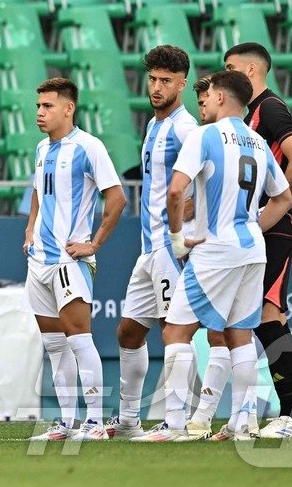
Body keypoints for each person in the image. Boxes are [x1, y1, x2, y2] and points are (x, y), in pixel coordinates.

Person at [160, 70, 292, 442]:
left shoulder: (204, 136)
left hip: (214, 250)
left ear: (220, 97)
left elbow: (175, 192)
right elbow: (284, 198)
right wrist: (252, 224)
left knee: (176, 332)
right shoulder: (257, 141)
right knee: (239, 334)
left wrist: (176, 241)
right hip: (252, 248)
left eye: (210, 95)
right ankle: (243, 422)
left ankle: (175, 426)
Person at [21, 77, 124, 443]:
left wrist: (93, 244)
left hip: (69, 260)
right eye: (38, 106)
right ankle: (66, 422)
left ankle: (95, 422)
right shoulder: (41, 149)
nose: (40, 112)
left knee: (79, 340)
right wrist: (30, 229)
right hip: (39, 261)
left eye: (47, 106)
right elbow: (38, 190)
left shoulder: (88, 147)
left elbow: (117, 198)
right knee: (53, 345)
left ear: (69, 108)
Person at [221, 41, 292, 438]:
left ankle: (291, 416)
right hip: (261, 228)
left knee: (268, 316)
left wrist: (275, 207)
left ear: (251, 72)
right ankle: (263, 413)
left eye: (229, 68)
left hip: (275, 229)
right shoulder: (251, 115)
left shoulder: (271, 108)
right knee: (254, 318)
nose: (224, 76)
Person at [113, 46, 197, 441]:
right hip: (148, 247)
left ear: (182, 83)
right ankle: (129, 420)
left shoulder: (186, 128)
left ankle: (177, 422)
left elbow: (210, 180)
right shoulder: (153, 125)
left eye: (166, 80)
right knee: (129, 331)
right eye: (153, 79)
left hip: (170, 246)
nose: (157, 87)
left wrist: (186, 227)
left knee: (173, 331)